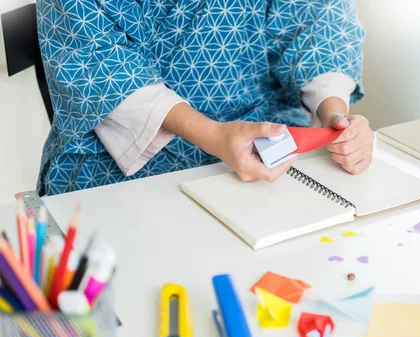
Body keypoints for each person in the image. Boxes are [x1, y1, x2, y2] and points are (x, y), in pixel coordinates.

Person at [36, 0, 374, 196]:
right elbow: (95, 59)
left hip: (266, 139)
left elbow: (317, 20)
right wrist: (213, 135)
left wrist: (333, 112)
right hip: (127, 157)